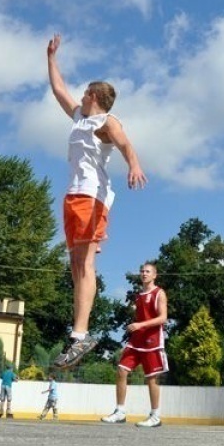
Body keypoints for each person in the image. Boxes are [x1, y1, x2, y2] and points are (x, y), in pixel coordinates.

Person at [46, 34, 148, 369]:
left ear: (93, 96)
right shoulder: (80, 118)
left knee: (86, 264)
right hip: (74, 195)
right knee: (75, 266)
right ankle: (78, 334)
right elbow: (59, 90)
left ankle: (81, 333)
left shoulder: (107, 121)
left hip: (93, 195)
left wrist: (133, 164)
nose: (79, 95)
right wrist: (52, 58)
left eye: (85, 92)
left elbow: (125, 143)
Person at [102, 262, 168, 428]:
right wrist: (135, 325)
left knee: (151, 378)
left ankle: (155, 415)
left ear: (154, 275)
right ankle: (120, 412)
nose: (144, 274)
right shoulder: (138, 296)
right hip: (136, 340)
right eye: (142, 271)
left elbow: (162, 318)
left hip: (152, 341)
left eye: (148, 271)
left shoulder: (159, 293)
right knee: (121, 369)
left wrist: (140, 325)